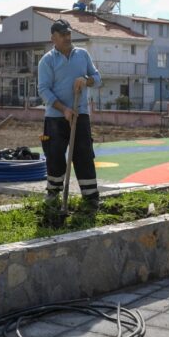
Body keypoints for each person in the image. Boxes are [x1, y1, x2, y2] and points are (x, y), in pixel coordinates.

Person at [38, 18, 102, 209]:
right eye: (62, 34)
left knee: (83, 154)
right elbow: (44, 90)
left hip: (80, 115)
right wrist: (64, 109)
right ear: (53, 38)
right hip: (55, 118)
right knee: (55, 155)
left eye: (68, 33)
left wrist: (86, 80)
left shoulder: (82, 55)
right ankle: (53, 194)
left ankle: (91, 197)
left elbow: (97, 79)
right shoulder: (47, 61)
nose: (67, 37)